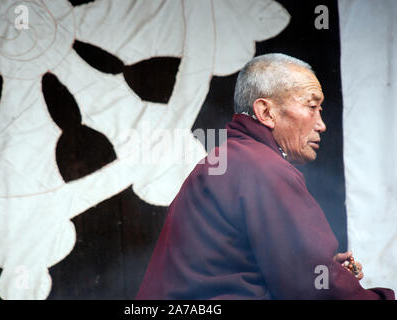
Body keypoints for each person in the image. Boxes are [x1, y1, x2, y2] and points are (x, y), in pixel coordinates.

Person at [136, 53, 395, 300]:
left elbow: (250, 265)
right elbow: (309, 289)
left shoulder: (225, 160)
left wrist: (325, 271)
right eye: (312, 106)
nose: (321, 124)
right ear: (266, 112)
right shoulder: (262, 168)